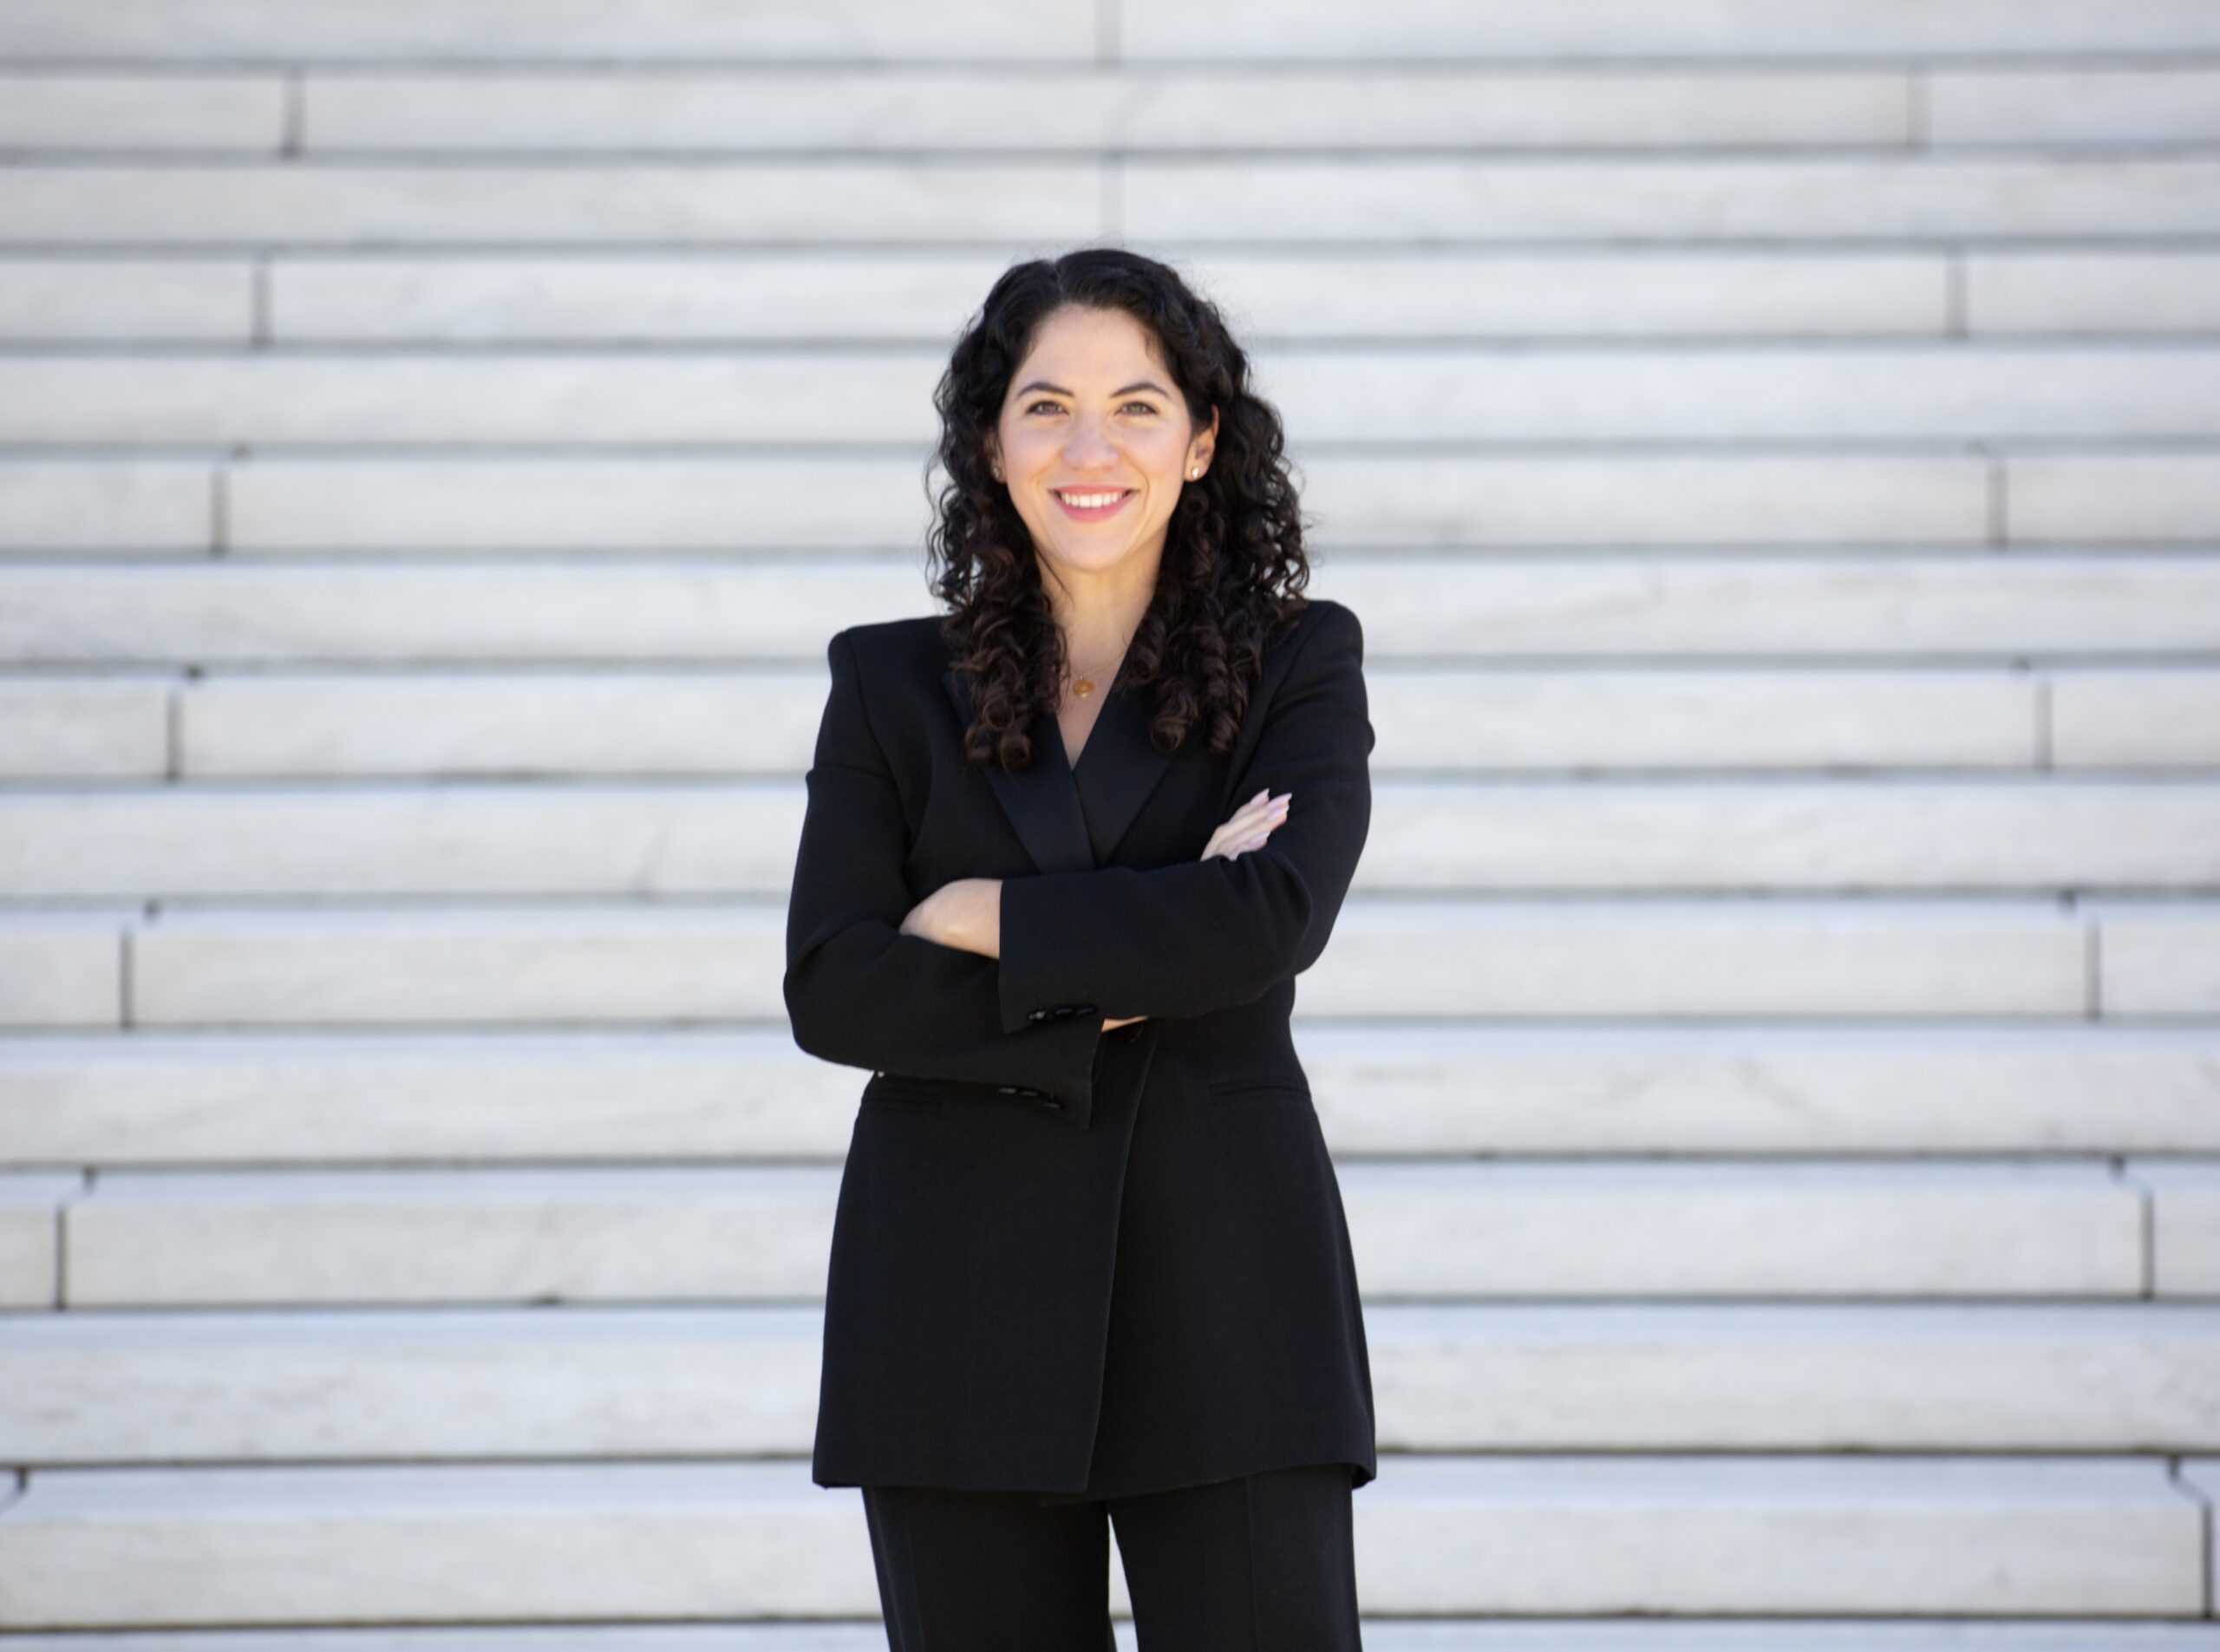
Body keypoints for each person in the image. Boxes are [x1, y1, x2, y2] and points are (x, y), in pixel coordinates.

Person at [782, 245, 1375, 1649]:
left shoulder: (1302, 660)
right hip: (950, 1300)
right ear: (989, 443)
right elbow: (836, 982)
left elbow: (1271, 918)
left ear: (1203, 437)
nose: (1088, 447)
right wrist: (1143, 951)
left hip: (1230, 1289)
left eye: (1138, 405)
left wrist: (980, 916)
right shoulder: (886, 682)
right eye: (1045, 406)